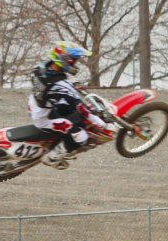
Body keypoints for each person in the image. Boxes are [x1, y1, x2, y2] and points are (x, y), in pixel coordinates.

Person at [29, 41, 116, 169]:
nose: (75, 63)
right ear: (65, 59)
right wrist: (102, 124)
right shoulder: (60, 85)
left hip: (36, 103)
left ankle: (58, 142)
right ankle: (52, 158)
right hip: (43, 118)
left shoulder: (42, 67)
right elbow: (81, 109)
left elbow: (57, 84)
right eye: (74, 60)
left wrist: (70, 85)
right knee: (81, 136)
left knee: (70, 110)